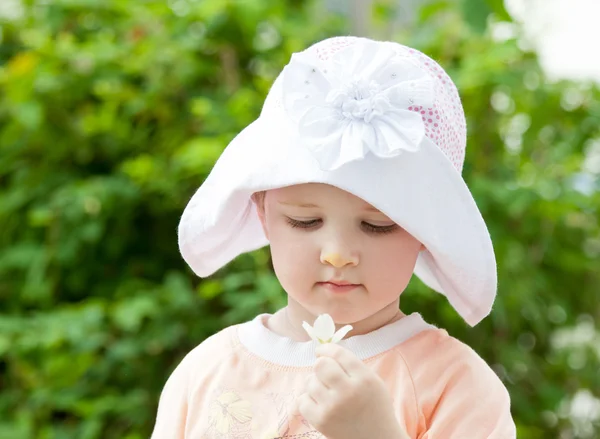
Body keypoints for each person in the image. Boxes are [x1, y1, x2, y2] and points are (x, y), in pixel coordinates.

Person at [151, 36, 516, 439]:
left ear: (426, 233)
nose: (338, 254)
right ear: (262, 211)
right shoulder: (206, 372)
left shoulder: (455, 386)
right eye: (305, 221)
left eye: (377, 225)